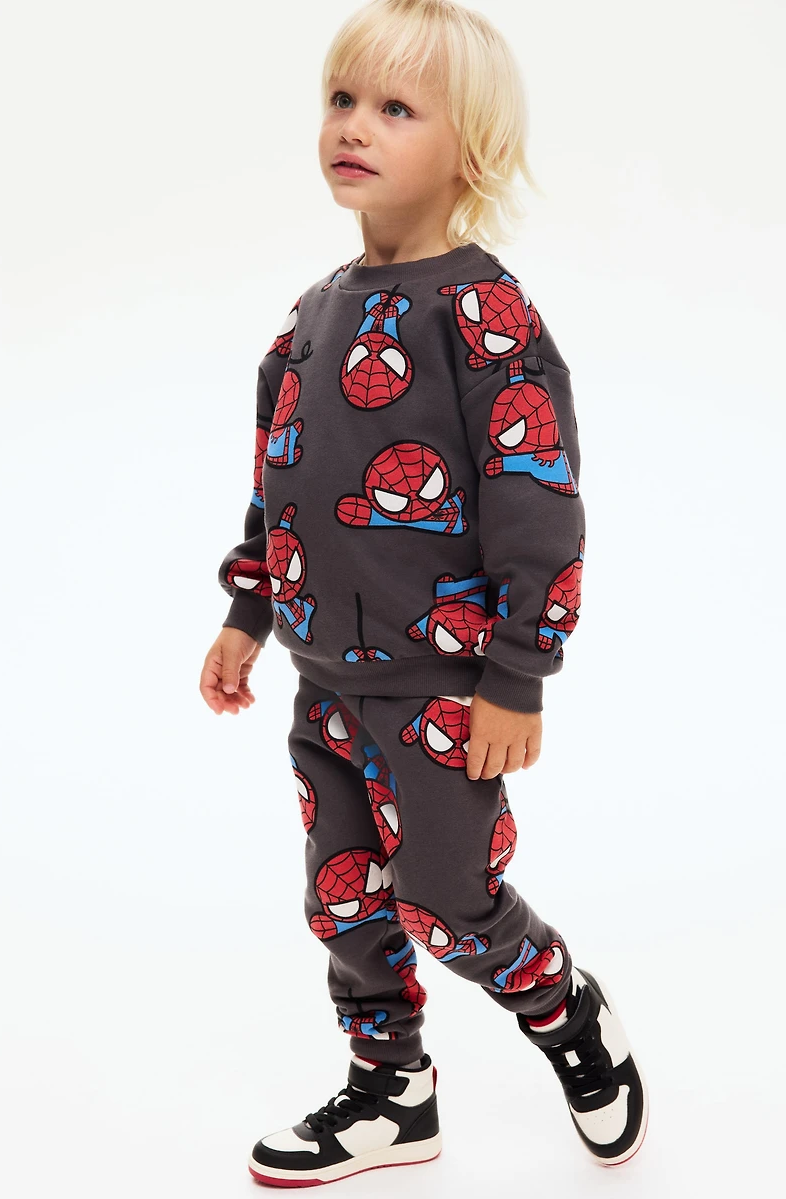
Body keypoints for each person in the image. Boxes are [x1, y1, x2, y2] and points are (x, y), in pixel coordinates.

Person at [199, 0, 648, 1185]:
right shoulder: (309, 316)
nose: (354, 126)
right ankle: (390, 1091)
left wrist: (518, 672)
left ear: (470, 150)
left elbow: (536, 504)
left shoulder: (482, 315)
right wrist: (248, 611)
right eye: (342, 100)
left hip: (441, 685)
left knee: (447, 898)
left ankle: (562, 1008)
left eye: (396, 109)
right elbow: (280, 477)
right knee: (343, 897)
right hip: (325, 681)